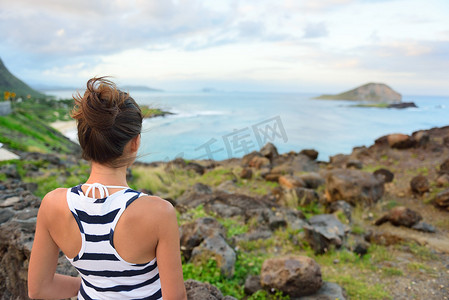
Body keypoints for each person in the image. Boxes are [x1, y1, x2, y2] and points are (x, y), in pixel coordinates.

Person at [28, 77, 187, 299]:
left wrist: (94, 288)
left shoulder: (53, 204)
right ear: (135, 143)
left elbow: (39, 290)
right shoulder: (158, 213)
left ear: (85, 141)